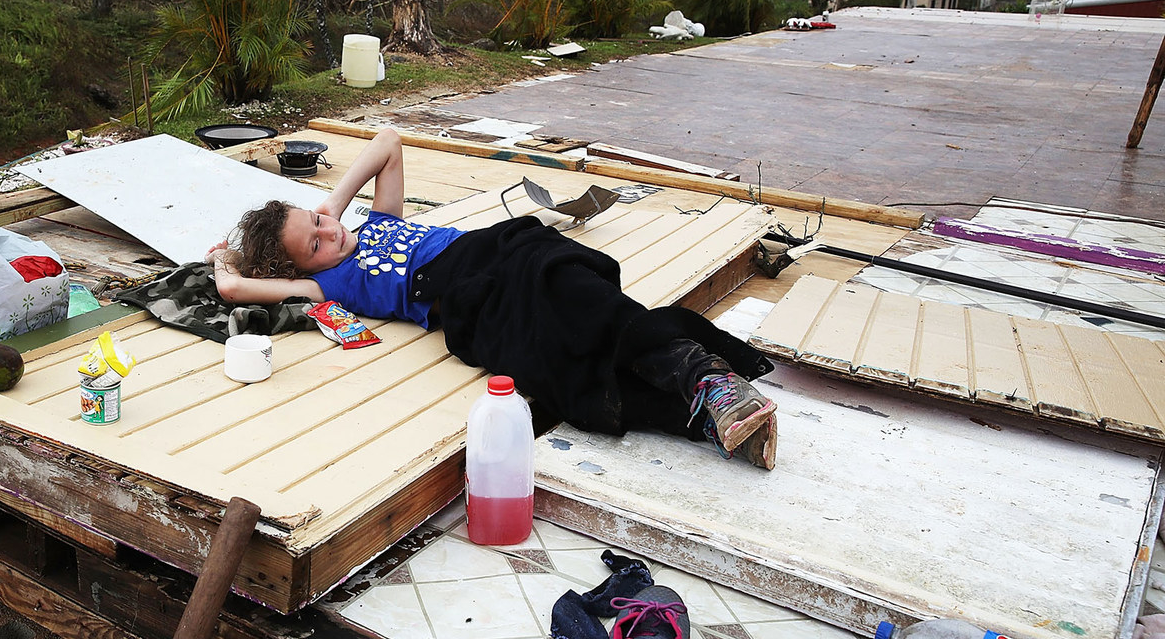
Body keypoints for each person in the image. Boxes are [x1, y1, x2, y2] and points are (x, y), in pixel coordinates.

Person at [208, 127, 780, 467]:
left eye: (318, 221)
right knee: (553, 363)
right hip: (463, 300)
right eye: (314, 244)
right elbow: (232, 287)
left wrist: (331, 202)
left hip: (499, 251)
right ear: (304, 266)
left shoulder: (377, 217)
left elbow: (388, 142)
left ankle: (702, 376)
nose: (328, 235)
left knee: (577, 293)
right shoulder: (328, 284)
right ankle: (704, 415)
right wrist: (223, 255)